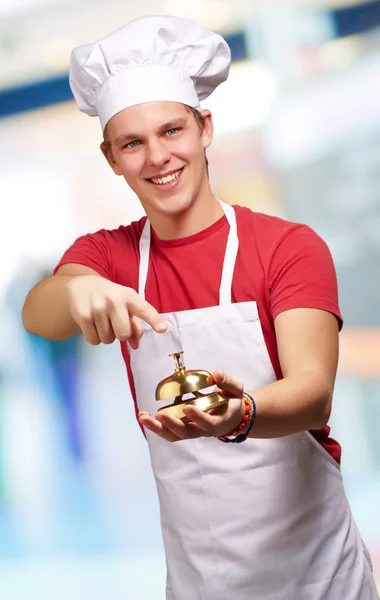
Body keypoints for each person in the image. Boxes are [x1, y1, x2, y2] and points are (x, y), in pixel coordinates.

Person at [22, 15, 378, 600]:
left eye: (171, 131)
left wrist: (239, 415)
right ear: (111, 156)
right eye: (132, 142)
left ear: (205, 126)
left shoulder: (286, 247)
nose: (158, 157)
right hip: (201, 582)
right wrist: (76, 290)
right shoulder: (106, 255)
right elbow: (41, 313)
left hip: (319, 575)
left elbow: (313, 392)